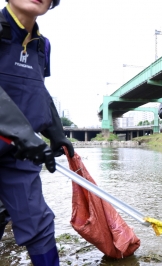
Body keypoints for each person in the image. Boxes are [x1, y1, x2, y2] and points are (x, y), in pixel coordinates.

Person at [0, 0, 74, 265]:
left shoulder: (43, 45)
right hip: (21, 140)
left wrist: (56, 131)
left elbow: (38, 89)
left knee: (39, 223)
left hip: (20, 153)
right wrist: (23, 133)